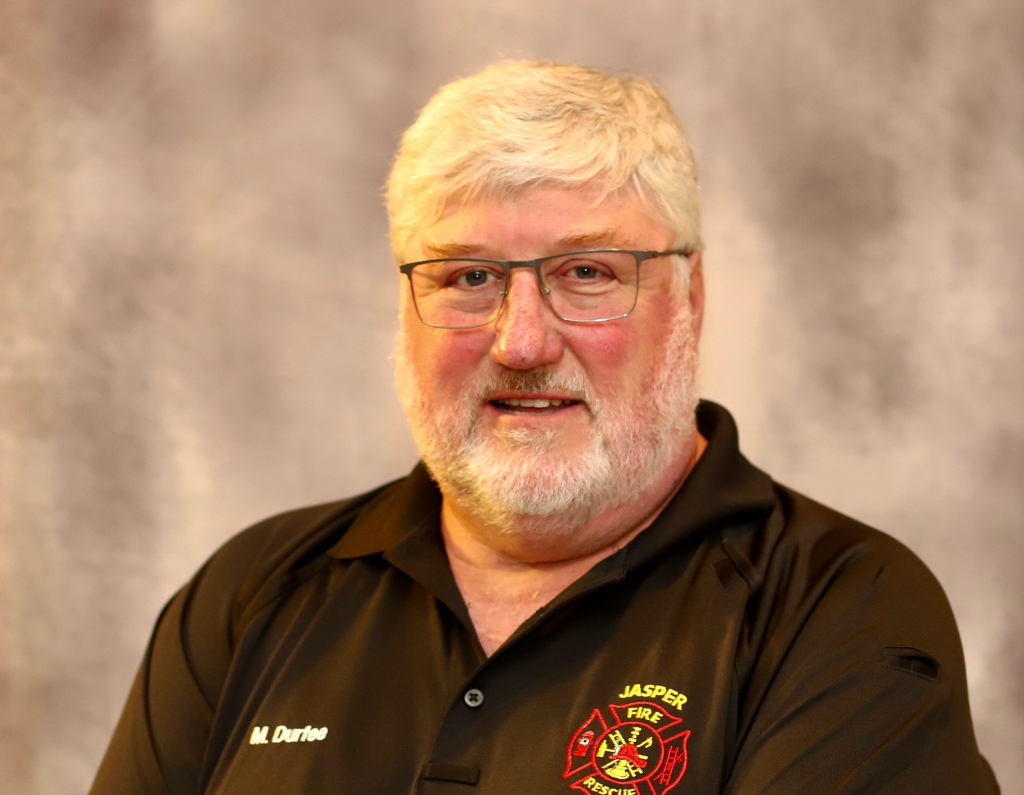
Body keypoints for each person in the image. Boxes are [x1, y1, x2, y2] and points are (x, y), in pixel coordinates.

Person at [90, 61, 999, 795]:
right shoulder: (250, 597)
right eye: (467, 277)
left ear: (690, 298)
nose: (521, 342)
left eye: (589, 273)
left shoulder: (836, 608)